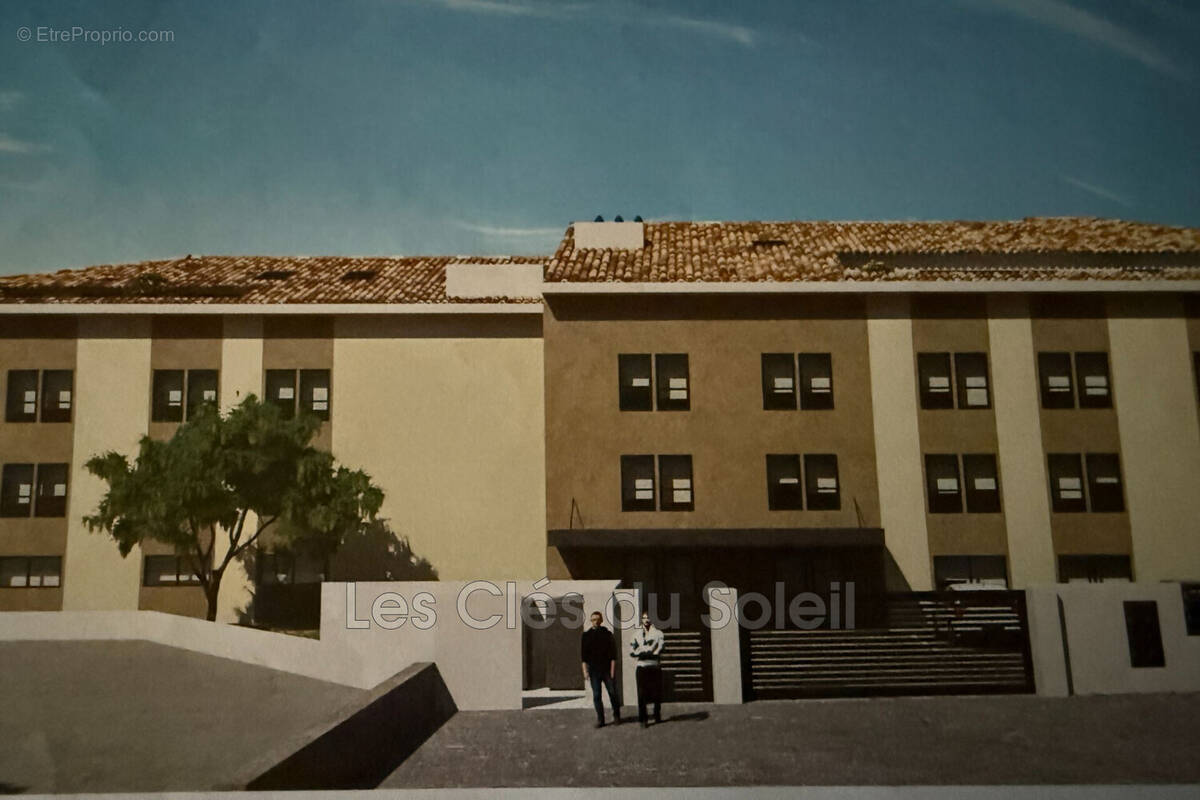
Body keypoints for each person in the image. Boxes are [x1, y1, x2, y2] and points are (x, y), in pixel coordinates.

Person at [581, 610, 621, 727]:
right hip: (594, 671)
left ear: (601, 620)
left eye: (598, 620)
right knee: (597, 695)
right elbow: (583, 656)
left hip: (607, 670)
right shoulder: (586, 636)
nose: (596, 622)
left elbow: (614, 655)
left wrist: (612, 671)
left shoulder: (607, 634)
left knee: (613, 693)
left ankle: (617, 716)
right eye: (593, 620)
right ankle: (601, 719)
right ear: (591, 621)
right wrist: (585, 671)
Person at [629, 610, 664, 727]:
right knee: (641, 693)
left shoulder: (659, 633)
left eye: (649, 618)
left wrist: (651, 653)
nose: (647, 620)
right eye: (644, 618)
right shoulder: (636, 635)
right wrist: (641, 652)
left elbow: (660, 648)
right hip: (642, 667)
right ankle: (643, 719)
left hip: (654, 666)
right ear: (641, 620)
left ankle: (657, 714)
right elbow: (633, 650)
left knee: (656, 693)